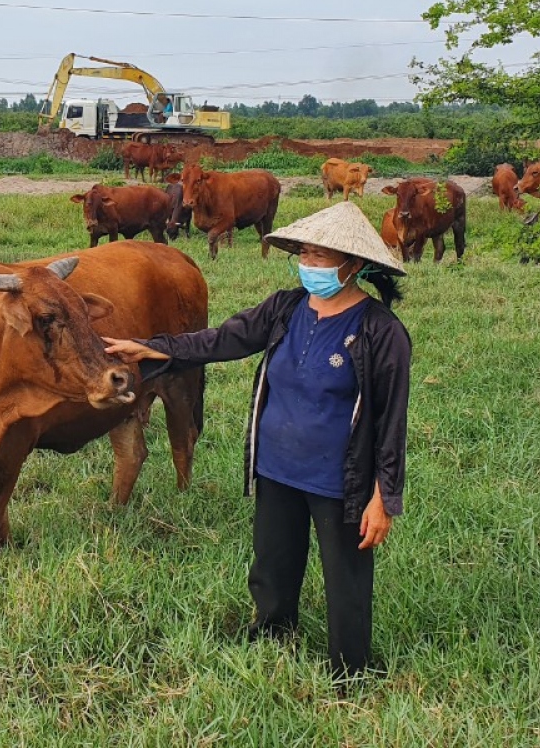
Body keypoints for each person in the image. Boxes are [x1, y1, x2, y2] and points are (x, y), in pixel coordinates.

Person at [103, 201, 410, 678]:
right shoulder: (285, 309)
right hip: (276, 467)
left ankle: (351, 669)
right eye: (304, 255)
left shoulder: (380, 331)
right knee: (272, 562)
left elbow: (392, 420)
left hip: (339, 479)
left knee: (346, 579)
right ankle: (272, 630)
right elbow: (220, 341)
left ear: (353, 265)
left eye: (320, 258)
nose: (308, 265)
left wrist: (383, 497)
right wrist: (155, 348)